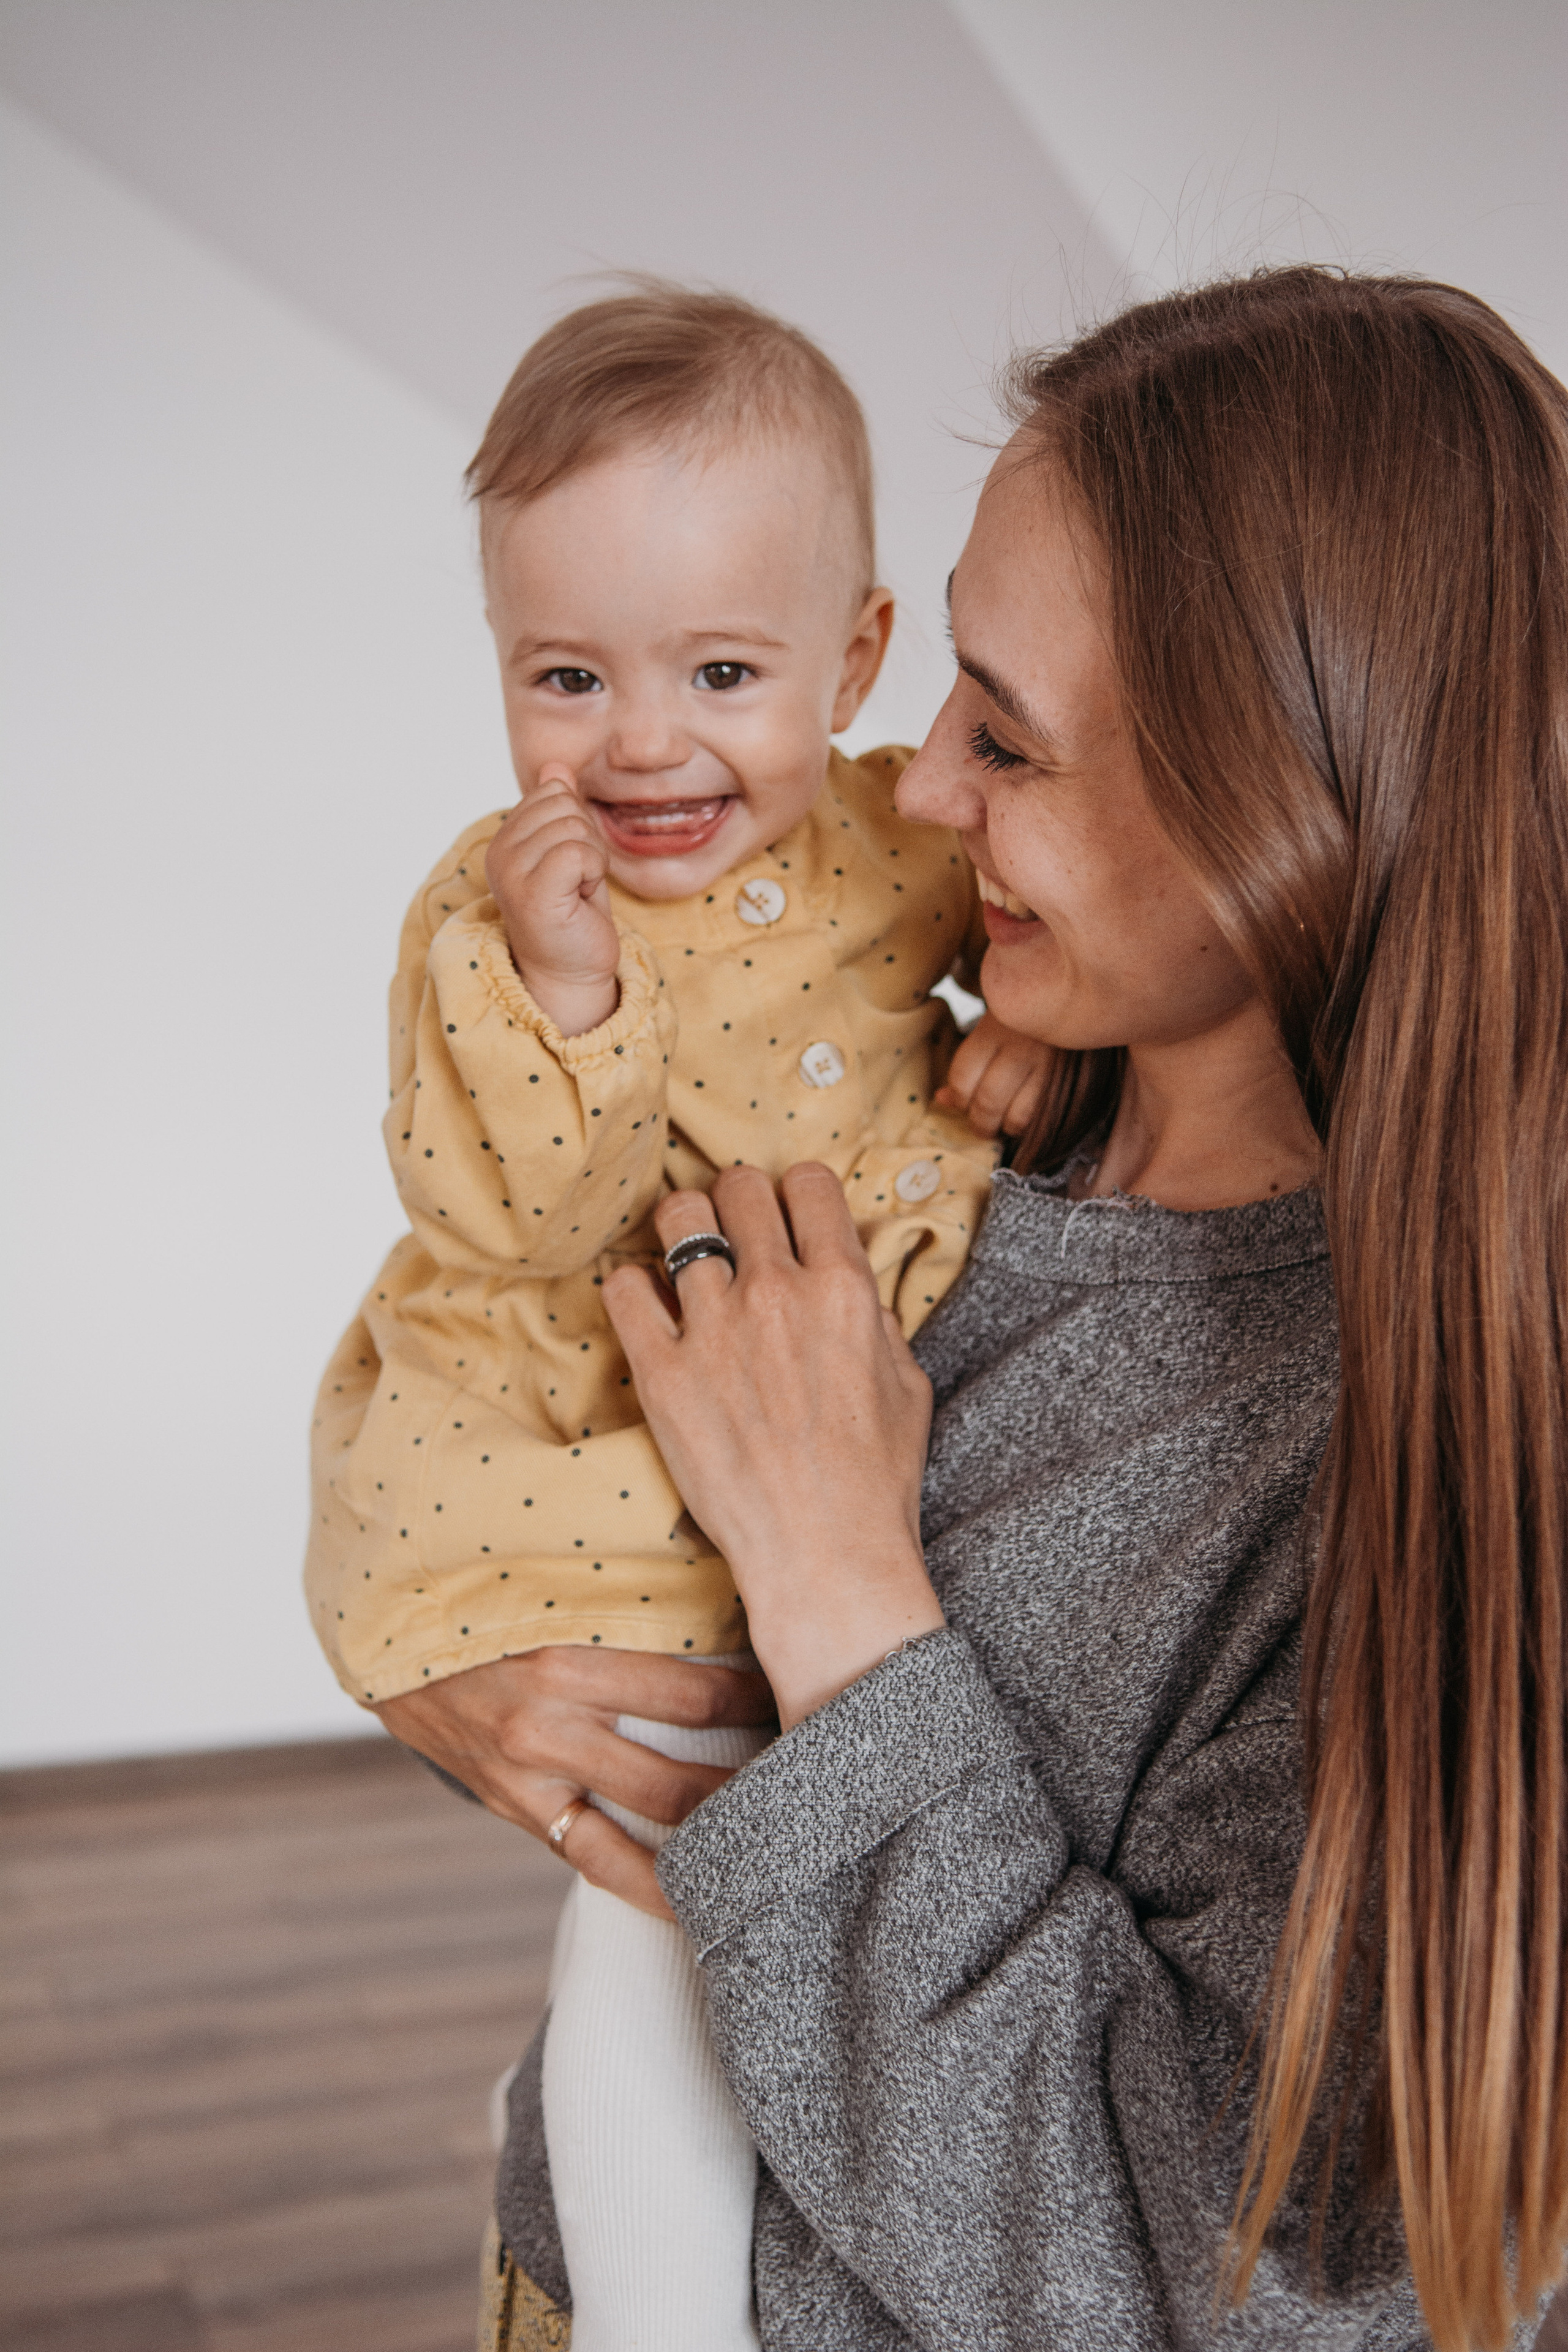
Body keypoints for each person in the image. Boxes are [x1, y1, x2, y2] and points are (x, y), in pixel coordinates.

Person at [387, 267, 1568, 2351]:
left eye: (1004, 737)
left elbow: (1231, 2285)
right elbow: (503, 1364)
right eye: (947, 691)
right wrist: (446, 1657)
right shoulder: (926, 1121)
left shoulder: (1414, 1446)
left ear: (1286, 807)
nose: (916, 789)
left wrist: (839, 1592)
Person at [305, 284, 1049, 2351]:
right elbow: (512, 1215)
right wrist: (568, 1001)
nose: (642, 745)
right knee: (661, 1895)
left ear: (860, 660)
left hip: (786, 1448)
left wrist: (1026, 1063)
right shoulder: (496, 915)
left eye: (723, 671)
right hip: (572, 1454)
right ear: (503, 671)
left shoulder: (902, 843)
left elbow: (1029, 970)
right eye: (569, 676)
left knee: (758, 1888)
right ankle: (621, 2290)